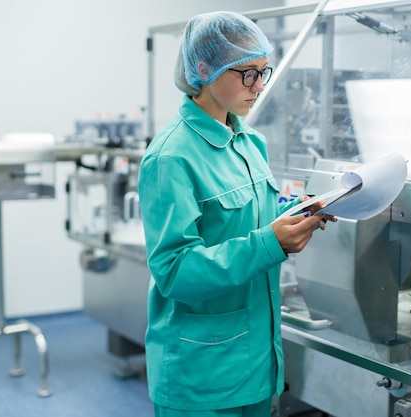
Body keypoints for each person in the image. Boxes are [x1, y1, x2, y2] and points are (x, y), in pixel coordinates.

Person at [137, 11, 335, 417]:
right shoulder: (170, 158)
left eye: (264, 72)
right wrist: (270, 243)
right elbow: (174, 272)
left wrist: (297, 211)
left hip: (257, 361)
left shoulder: (248, 142)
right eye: (248, 74)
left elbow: (250, 220)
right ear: (205, 69)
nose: (260, 86)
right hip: (202, 371)